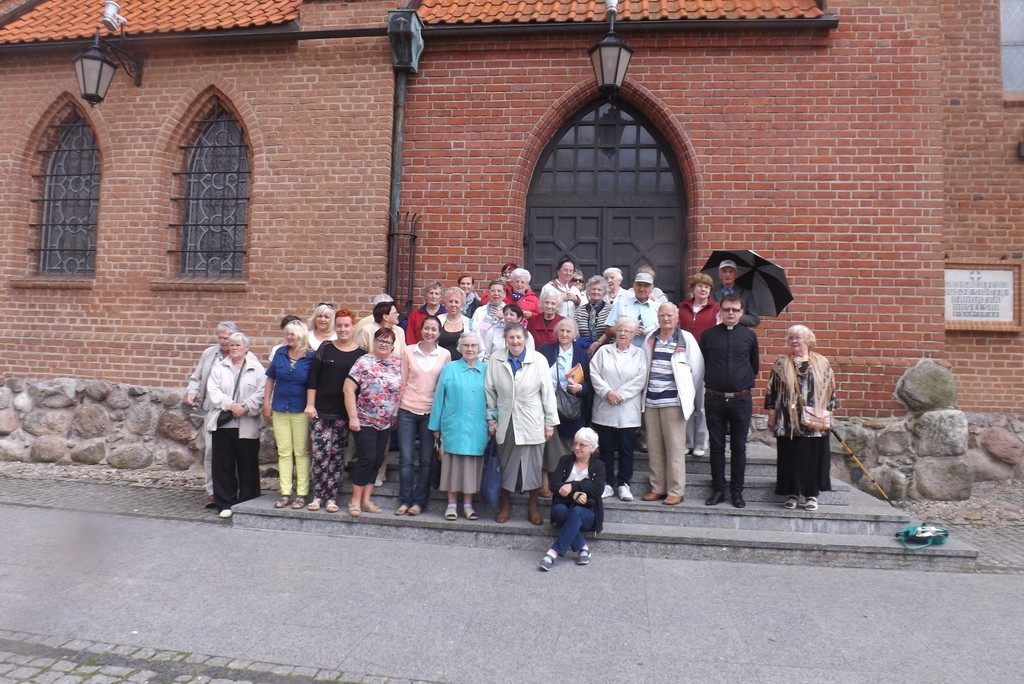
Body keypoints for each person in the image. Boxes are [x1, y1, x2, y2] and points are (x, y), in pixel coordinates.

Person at [485, 323, 559, 525]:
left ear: (525, 339)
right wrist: (491, 417)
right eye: (511, 337)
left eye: (518, 337)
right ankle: (505, 506)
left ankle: (533, 508)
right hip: (506, 418)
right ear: (505, 340)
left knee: (533, 465)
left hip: (532, 419)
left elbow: (548, 392)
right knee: (505, 464)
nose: (515, 341)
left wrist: (550, 422)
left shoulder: (538, 359)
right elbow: (490, 390)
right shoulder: (496, 359)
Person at [765, 325, 837, 511]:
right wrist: (771, 415)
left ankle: (811, 495)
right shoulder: (781, 363)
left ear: (808, 340)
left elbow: (830, 390)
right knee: (791, 456)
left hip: (815, 419)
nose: (794, 341)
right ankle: (793, 493)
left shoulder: (822, 362)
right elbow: (772, 390)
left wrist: (830, 414)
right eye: (791, 338)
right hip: (788, 420)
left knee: (812, 457)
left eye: (798, 337)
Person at [640, 303, 704, 506]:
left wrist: (686, 394)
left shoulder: (686, 339)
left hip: (674, 402)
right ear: (657, 317)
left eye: (669, 315)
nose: (666, 318)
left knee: (675, 448)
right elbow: (643, 366)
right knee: (654, 447)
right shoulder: (651, 338)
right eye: (662, 315)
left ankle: (676, 490)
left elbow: (697, 371)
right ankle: (657, 488)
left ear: (677, 318)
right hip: (651, 401)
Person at [700, 295, 759, 509]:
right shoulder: (708, 335)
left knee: (739, 447)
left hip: (740, 399)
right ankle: (718, 490)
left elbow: (754, 366)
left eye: (735, 310)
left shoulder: (750, 336)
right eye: (726, 309)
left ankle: (737, 492)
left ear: (741, 312)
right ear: (720, 312)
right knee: (716, 447)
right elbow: (703, 363)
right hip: (714, 398)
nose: (730, 313)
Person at [305, 308, 363, 513]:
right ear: (335, 327)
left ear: (353, 327)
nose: (343, 329)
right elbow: (313, 378)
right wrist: (310, 404)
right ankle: (317, 495)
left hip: (343, 413)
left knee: (337, 455)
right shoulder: (325, 348)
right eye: (339, 325)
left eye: (346, 325)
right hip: (321, 411)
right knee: (320, 454)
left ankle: (331, 497)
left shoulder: (360, 354)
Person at [429, 332, 489, 521]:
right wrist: (435, 425)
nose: (470, 349)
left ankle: (468, 505)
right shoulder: (450, 369)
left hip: (477, 425)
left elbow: (494, 398)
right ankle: (452, 504)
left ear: (479, 349)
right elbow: (439, 397)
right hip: (454, 425)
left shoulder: (487, 370)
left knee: (471, 466)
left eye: (473, 345)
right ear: (459, 348)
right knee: (452, 466)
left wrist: (493, 418)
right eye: (466, 345)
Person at [206, 333, 266, 519]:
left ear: (246, 348)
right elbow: (213, 391)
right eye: (231, 345)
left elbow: (262, 392)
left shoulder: (257, 369)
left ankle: (248, 501)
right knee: (223, 466)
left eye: (238, 345)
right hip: (223, 424)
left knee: (247, 465)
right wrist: (231, 405)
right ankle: (225, 502)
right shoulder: (219, 368)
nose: (233, 348)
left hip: (247, 424)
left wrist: (245, 407)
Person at [344, 327, 403, 517]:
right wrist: (353, 417)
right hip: (364, 419)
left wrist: (395, 412)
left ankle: (366, 500)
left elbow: (401, 389)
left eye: (388, 342)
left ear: (393, 346)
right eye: (380, 340)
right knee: (367, 458)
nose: (384, 344)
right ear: (374, 342)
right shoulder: (363, 362)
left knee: (377, 459)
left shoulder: (397, 363)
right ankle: (354, 501)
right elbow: (348, 389)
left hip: (386, 421)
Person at [395, 316, 451, 516]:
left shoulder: (445, 355)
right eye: (427, 328)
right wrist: (395, 410)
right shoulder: (408, 351)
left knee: (427, 460)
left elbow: (444, 387)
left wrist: (442, 417)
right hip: (407, 410)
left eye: (434, 329)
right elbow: (402, 380)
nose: (430, 332)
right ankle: (405, 500)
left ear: (439, 333)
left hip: (431, 413)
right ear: (421, 330)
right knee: (406, 459)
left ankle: (419, 502)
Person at [589, 317, 647, 502]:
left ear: (633, 335)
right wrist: (607, 392)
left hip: (627, 409)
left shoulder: (640, 354)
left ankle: (624, 484)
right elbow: (594, 373)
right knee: (605, 449)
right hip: (605, 406)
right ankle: (606, 484)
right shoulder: (603, 351)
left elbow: (641, 379)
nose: (623, 333)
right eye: (620, 329)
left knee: (626, 449)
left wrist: (620, 395)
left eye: (627, 331)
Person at [184, 320, 237, 508]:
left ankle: (232, 489)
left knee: (233, 452)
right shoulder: (209, 354)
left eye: (226, 338)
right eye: (220, 338)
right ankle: (212, 491)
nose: (223, 341)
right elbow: (196, 378)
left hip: (235, 412)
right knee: (211, 452)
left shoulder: (241, 353)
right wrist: (192, 392)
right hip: (212, 410)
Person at [538, 427, 605, 571]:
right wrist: (573, 495)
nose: (577, 447)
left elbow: (598, 489)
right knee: (558, 510)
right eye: (575, 444)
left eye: (582, 445)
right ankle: (582, 547)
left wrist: (573, 486)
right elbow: (554, 484)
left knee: (577, 512)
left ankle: (553, 552)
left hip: (588, 513)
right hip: (564, 507)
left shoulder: (599, 466)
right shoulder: (565, 460)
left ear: (592, 448)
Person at [263, 320, 314, 510]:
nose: (288, 337)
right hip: (280, 408)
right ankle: (285, 492)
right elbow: (271, 378)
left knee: (301, 451)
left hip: (300, 410)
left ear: (301, 335)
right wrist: (266, 403)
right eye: (287, 334)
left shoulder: (311, 357)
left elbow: (313, 384)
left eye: (292, 334)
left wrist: (311, 405)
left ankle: (302, 493)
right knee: (284, 451)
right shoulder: (280, 353)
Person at [539, 319, 591, 498]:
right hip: (548, 405)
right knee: (547, 444)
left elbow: (590, 384)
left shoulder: (581, 354)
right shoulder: (546, 350)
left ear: (575, 335)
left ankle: (568, 483)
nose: (564, 334)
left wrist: (580, 388)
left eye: (569, 331)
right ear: (556, 332)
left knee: (571, 446)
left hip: (572, 407)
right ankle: (544, 483)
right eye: (561, 330)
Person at [678, 273, 720, 457]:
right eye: (700, 286)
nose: (703, 289)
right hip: (685, 360)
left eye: (707, 287)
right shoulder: (682, 307)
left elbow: (719, 332)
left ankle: (701, 443)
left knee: (702, 405)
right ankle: (687, 442)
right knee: (686, 403)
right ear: (693, 289)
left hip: (706, 360)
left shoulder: (716, 308)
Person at [603, 270, 660, 346]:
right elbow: (608, 331)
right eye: (639, 285)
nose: (641, 289)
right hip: (625, 350)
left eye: (646, 286)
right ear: (634, 286)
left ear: (652, 288)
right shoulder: (621, 304)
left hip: (650, 350)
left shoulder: (658, 308)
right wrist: (628, 330)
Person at [711, 260, 760, 328]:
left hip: (739, 332)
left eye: (731, 271)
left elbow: (754, 320)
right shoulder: (711, 292)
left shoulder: (746, 294)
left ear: (736, 274)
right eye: (724, 271)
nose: (728, 275)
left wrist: (736, 316)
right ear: (720, 275)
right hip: (717, 331)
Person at [574, 275, 611, 357]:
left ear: (604, 292)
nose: (596, 292)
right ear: (588, 291)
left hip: (606, 351)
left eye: (599, 290)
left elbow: (612, 331)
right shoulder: (580, 310)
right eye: (593, 289)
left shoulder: (611, 310)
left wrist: (597, 343)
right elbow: (574, 331)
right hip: (584, 351)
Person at [438, 287, 472, 361]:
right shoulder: (438, 320)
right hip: (440, 363)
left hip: (463, 364)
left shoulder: (470, 323)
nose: (453, 304)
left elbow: (478, 346)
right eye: (450, 301)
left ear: (462, 304)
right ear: (445, 303)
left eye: (456, 302)